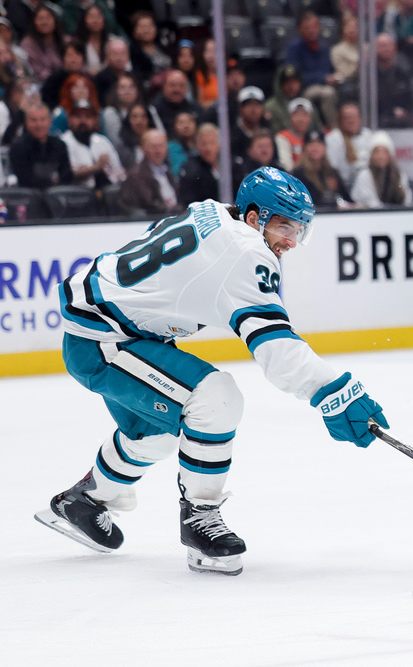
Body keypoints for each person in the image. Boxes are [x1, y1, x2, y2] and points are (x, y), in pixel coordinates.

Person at [35, 166, 389, 575]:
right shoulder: (247, 251)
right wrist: (335, 392)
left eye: (299, 230)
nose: (291, 241)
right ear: (254, 217)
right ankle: (199, 519)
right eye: (284, 227)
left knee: (155, 433)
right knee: (216, 398)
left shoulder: (214, 211)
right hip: (103, 341)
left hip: (109, 328)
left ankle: (83, 500)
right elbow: (276, 349)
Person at [61, 98, 126, 189]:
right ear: (70, 119)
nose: (83, 121)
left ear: (95, 120)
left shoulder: (102, 141)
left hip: (105, 191)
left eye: (88, 117)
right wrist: (97, 167)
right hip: (76, 193)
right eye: (78, 116)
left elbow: (119, 173)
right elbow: (67, 176)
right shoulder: (63, 142)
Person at [9, 100, 73, 189]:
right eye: (33, 120)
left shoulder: (60, 145)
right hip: (29, 195)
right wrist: (51, 183)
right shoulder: (17, 147)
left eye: (43, 119)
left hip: (58, 193)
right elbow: (25, 179)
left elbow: (67, 176)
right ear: (26, 123)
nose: (39, 125)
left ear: (50, 122)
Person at [118, 128, 181, 218]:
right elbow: (150, 205)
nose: (158, 151)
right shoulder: (136, 175)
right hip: (152, 220)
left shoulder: (167, 171)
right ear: (143, 148)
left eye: (161, 146)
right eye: (153, 147)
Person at [350, 130, 412, 208]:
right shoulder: (365, 175)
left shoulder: (399, 174)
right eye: (377, 152)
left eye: (385, 152)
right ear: (371, 155)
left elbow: (406, 197)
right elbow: (371, 203)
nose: (380, 156)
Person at [291, 129, 352, 207]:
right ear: (304, 148)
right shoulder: (298, 174)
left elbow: (347, 198)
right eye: (311, 144)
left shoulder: (332, 172)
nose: (315, 148)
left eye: (319, 144)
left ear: (324, 147)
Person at [178, 123, 223, 205]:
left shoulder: (230, 166)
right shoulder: (190, 169)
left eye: (212, 143)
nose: (208, 148)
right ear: (197, 145)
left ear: (219, 144)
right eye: (203, 144)